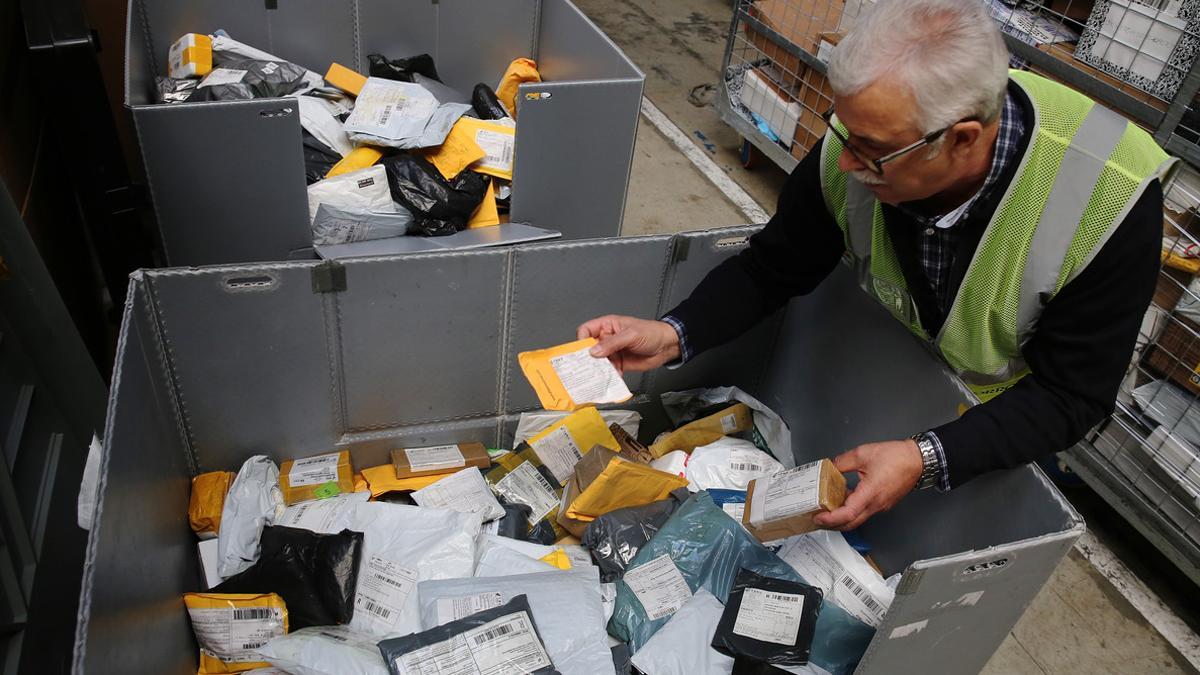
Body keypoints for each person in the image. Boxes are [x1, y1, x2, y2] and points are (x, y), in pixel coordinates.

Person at [577, 0, 1176, 531]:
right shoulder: (870, 133)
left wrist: (928, 457)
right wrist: (676, 333)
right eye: (845, 133)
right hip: (897, 375)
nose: (843, 164)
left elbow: (1071, 395)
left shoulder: (1107, 199)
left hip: (1013, 414)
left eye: (872, 153)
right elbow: (773, 267)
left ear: (963, 140)